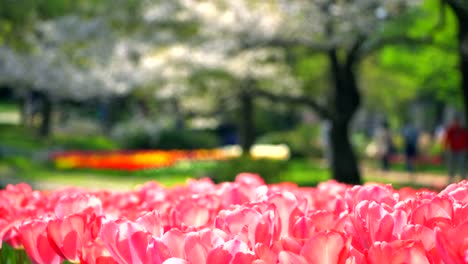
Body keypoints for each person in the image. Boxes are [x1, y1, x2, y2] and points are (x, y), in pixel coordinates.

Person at [443, 116, 468, 182]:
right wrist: (445, 147)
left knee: (462, 164)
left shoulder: (463, 130)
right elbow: (447, 139)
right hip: (453, 150)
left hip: (461, 150)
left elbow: (466, 139)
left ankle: (463, 178)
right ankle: (451, 178)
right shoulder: (451, 130)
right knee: (451, 165)